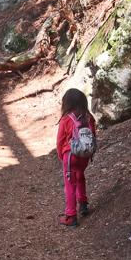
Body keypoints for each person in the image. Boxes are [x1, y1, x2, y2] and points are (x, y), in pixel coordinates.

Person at [56, 88, 97, 227]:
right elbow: (93, 136)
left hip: (71, 155)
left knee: (70, 184)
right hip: (84, 155)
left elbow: (60, 141)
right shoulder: (89, 117)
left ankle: (71, 216)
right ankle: (83, 204)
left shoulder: (66, 119)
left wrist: (61, 155)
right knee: (80, 176)